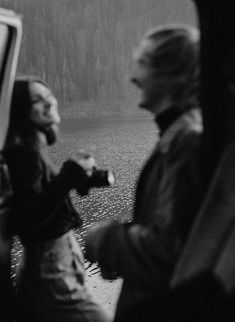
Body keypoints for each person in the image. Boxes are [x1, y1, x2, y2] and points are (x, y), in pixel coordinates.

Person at [84, 24, 205, 321]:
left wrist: (105, 240)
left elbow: (170, 251)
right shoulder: (179, 134)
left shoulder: (186, 141)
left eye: (142, 65)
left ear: (169, 74)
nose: (132, 78)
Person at [3, 76, 111, 322]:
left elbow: (41, 199)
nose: (48, 102)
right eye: (37, 100)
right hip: (50, 270)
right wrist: (70, 174)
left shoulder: (32, 149)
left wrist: (74, 178)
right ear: (21, 110)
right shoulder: (24, 154)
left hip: (56, 266)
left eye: (48, 96)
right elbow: (27, 220)